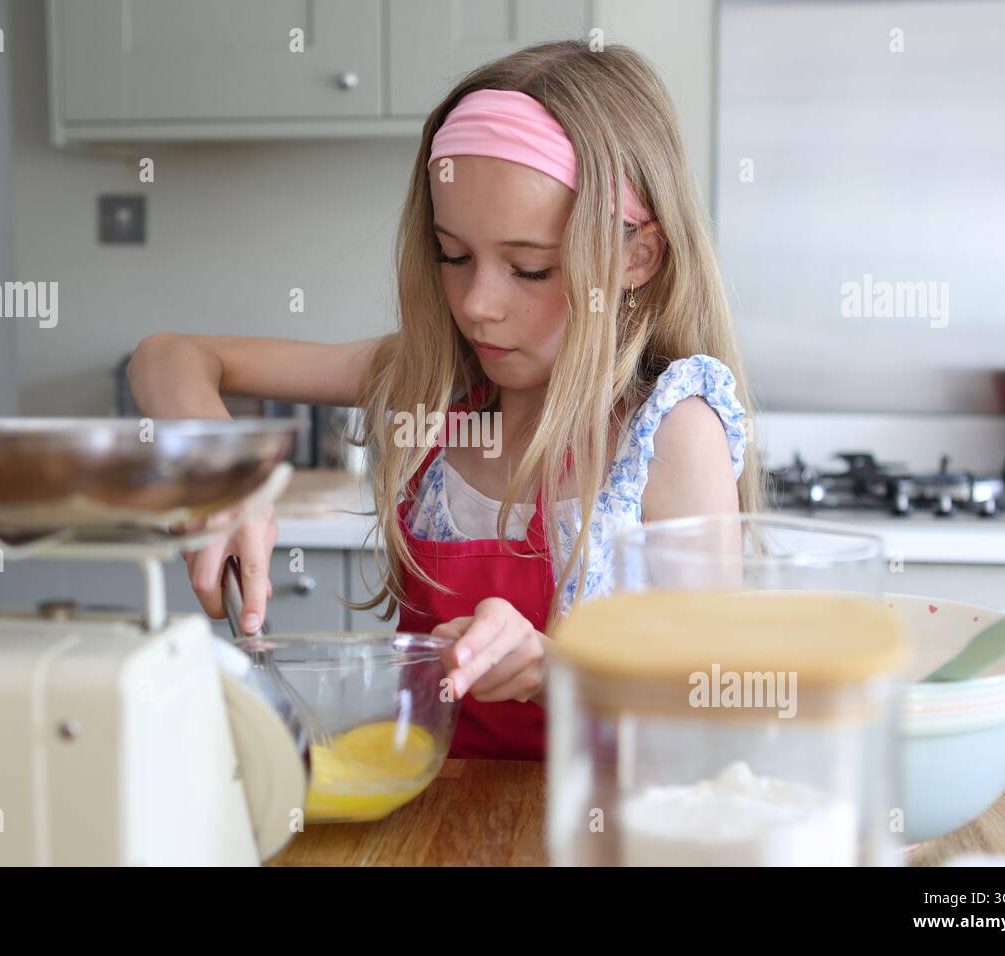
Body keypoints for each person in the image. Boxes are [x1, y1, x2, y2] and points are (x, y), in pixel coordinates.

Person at [127, 40, 760, 760]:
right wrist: (221, 469)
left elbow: (711, 708)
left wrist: (557, 673)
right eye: (453, 255)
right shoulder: (433, 379)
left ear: (636, 257)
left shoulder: (670, 432)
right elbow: (167, 356)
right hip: (428, 816)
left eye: (529, 268)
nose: (477, 304)